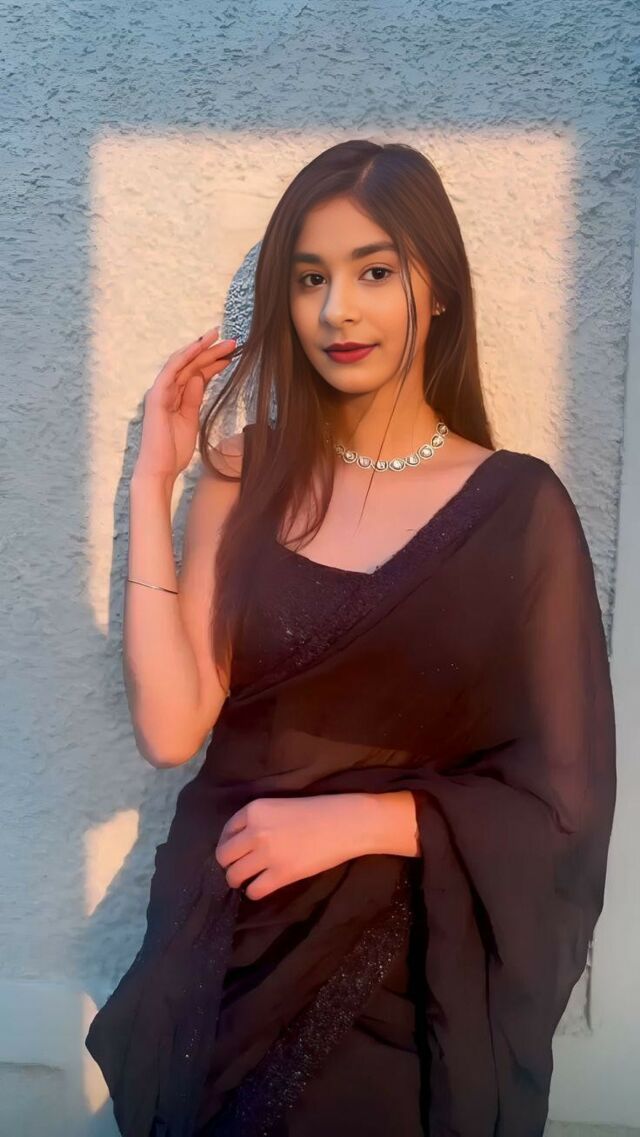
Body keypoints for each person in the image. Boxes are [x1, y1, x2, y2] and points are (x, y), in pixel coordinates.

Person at [85, 140, 617, 1137]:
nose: (337, 310)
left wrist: (367, 820)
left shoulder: (519, 507)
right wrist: (154, 483)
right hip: (228, 950)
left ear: (438, 289)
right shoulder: (246, 474)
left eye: (374, 272)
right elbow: (171, 727)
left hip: (408, 978)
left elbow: (565, 801)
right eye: (309, 279)